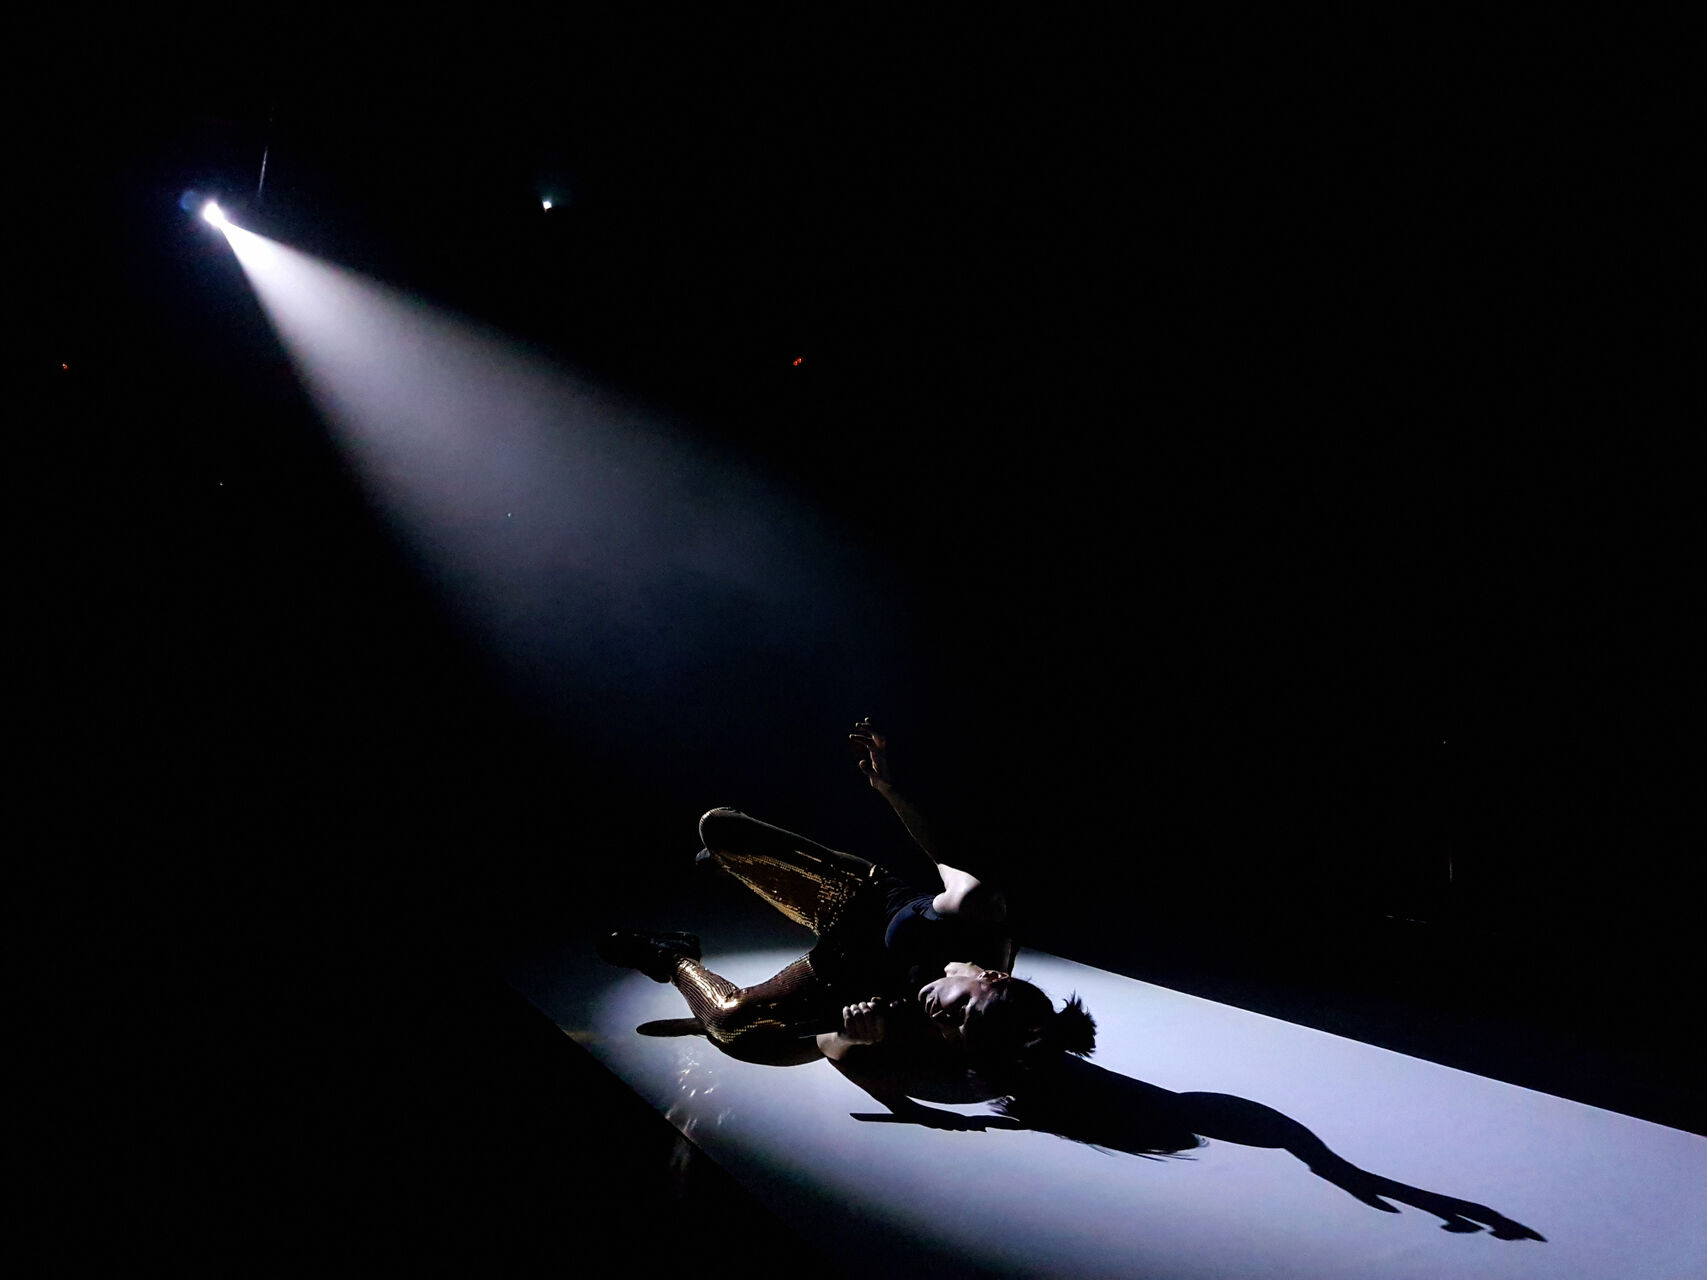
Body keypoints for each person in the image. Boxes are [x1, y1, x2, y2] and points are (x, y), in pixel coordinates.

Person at [598, 719, 1095, 1082]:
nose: (944, 1017)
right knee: (719, 828)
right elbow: (942, 853)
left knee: (732, 1025)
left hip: (841, 971)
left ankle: (672, 954)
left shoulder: (950, 1035)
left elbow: (829, 1047)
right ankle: (730, 859)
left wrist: (850, 1037)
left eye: (955, 1028)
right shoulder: (978, 916)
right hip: (855, 899)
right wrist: (889, 789)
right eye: (961, 1007)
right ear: (993, 977)